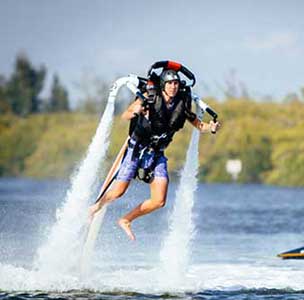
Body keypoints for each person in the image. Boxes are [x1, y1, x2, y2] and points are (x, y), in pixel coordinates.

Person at [88, 68, 221, 241]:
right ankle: (94, 208)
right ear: (163, 85)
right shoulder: (149, 98)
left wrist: (211, 127)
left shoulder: (181, 105)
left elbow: (200, 125)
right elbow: (125, 115)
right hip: (137, 150)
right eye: (170, 83)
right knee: (118, 192)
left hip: (157, 154)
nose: (173, 87)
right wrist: (136, 111)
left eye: (176, 83)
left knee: (159, 201)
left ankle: (126, 220)